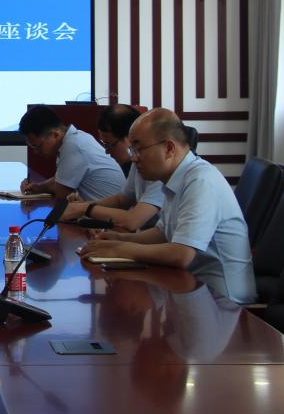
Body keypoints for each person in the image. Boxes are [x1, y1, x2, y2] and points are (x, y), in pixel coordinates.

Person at [81, 108, 256, 304]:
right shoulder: (174, 179)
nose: (134, 158)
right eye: (132, 150)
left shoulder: (200, 181)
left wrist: (120, 249)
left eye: (138, 149)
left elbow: (181, 254)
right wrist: (121, 238)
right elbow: (163, 232)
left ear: (169, 148)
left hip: (224, 301)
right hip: (193, 288)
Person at [17, 105, 124, 202]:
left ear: (55, 134)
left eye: (38, 146)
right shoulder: (75, 138)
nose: (36, 152)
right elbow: (62, 179)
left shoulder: (73, 146)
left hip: (110, 213)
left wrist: (40, 188)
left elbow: (61, 193)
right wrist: (37, 187)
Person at [96, 104, 142, 176]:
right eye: (104, 144)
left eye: (109, 145)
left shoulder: (149, 167)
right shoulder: (129, 165)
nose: (107, 152)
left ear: (130, 138)